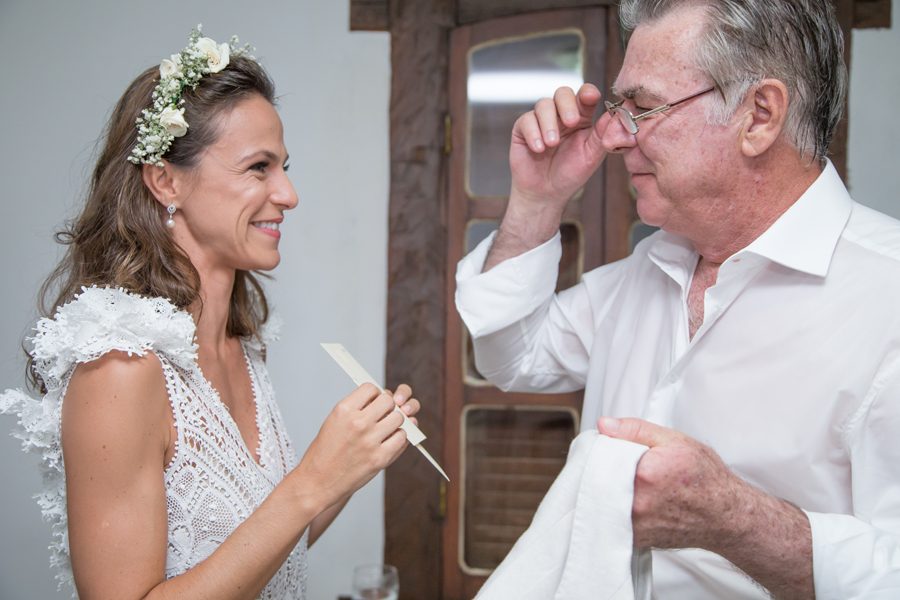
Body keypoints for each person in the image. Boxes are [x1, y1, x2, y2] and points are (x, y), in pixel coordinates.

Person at [454, 0, 900, 598]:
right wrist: (538, 201)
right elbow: (509, 355)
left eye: (641, 107)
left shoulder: (886, 300)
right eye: (618, 107)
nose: (610, 134)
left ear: (759, 116)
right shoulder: (649, 267)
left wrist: (734, 520)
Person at [0, 28, 418, 600]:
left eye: (284, 166)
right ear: (166, 180)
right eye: (258, 167)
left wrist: (348, 468)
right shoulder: (120, 370)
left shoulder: (241, 346)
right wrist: (313, 482)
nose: (289, 193)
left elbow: (259, 555)